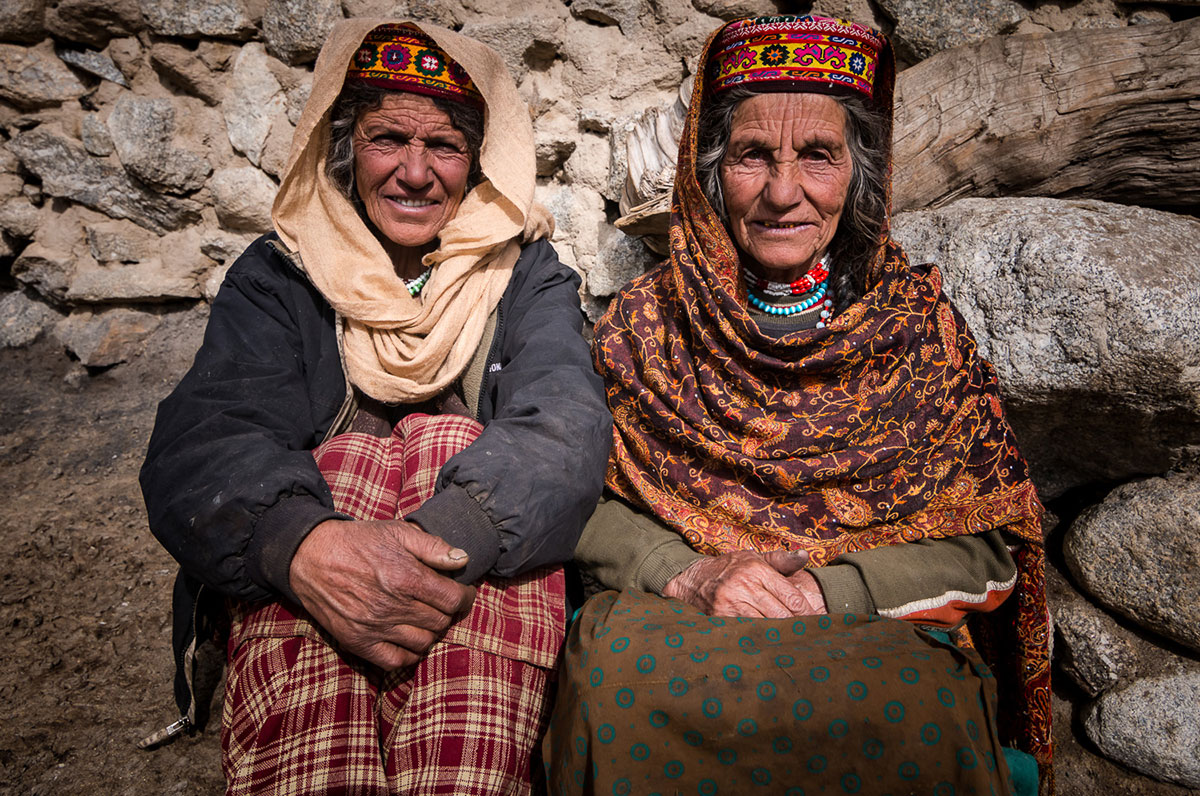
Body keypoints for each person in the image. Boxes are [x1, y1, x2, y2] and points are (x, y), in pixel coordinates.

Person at [545, 14, 1050, 795]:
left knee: (919, 714)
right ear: (711, 171)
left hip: (871, 630)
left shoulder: (917, 333)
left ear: (859, 173)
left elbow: (983, 547)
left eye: (818, 156)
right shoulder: (647, 327)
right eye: (752, 156)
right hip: (681, 623)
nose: (784, 194)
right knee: (614, 688)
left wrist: (824, 590)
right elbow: (577, 491)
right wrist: (686, 573)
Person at [140, 19, 610, 794]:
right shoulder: (281, 274)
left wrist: (430, 542)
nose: (416, 173)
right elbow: (208, 434)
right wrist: (305, 548)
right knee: (347, 468)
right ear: (345, 144)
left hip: (471, 565)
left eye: (447, 147)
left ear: (482, 160)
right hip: (324, 560)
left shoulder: (526, 272)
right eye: (388, 138)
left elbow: (563, 426)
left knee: (440, 449)